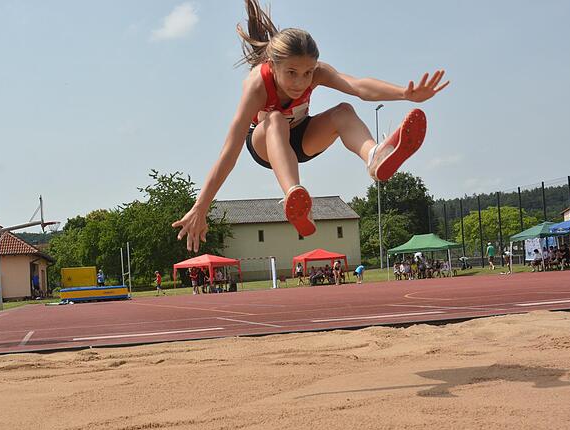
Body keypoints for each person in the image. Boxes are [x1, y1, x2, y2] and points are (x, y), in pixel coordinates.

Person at [172, 0, 449, 252]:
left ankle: (374, 156)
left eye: (306, 73)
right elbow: (229, 152)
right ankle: (294, 195)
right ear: (273, 64)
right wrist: (201, 206)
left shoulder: (317, 72)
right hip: (264, 143)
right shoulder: (257, 85)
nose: (300, 82)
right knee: (275, 119)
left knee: (344, 111)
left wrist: (404, 93)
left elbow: (358, 87)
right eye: (291, 73)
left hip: (303, 140)